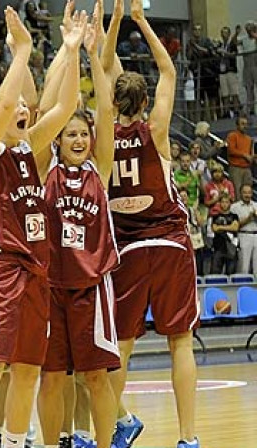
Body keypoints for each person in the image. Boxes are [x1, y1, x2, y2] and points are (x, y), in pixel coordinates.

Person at [0, 7, 82, 448]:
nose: (25, 111)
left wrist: (70, 54)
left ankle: (14, 443)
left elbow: (67, 105)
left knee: (29, 369)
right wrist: (23, 53)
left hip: (37, 274)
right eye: (16, 109)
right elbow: (6, 103)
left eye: (28, 109)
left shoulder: (32, 151)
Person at [102, 1, 201, 447]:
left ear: (113, 103)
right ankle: (188, 438)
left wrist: (115, 22)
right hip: (168, 241)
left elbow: (107, 69)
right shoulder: (156, 128)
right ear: (144, 103)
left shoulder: (102, 134)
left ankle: (110, 432)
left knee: (121, 346)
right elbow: (169, 72)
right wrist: (140, 20)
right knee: (179, 342)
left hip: (125, 248)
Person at [37, 6, 119, 448]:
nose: (79, 140)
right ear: (57, 138)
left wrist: (93, 54)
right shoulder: (44, 166)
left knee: (94, 377)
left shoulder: (98, 170)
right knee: (51, 378)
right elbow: (50, 106)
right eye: (70, 134)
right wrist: (66, 52)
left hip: (91, 286)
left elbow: (105, 111)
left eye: (82, 134)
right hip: (50, 284)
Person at [209, 193, 240, 274]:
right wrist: (228, 227)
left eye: (226, 202)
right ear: (219, 203)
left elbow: (235, 228)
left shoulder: (234, 216)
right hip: (218, 248)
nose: (224, 204)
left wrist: (221, 227)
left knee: (231, 273)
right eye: (222, 202)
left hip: (231, 248)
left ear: (230, 203)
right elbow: (214, 228)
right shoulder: (215, 216)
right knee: (215, 274)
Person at [226, 116, 253, 201]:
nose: (245, 126)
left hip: (247, 168)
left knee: (248, 190)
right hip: (235, 168)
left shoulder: (249, 139)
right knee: (237, 192)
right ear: (237, 125)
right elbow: (231, 150)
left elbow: (250, 153)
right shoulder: (232, 135)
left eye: (246, 124)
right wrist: (244, 155)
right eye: (242, 124)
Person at [232, 185, 257, 274]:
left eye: (249, 193)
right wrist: (248, 219)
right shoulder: (235, 207)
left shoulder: (256, 205)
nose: (247, 195)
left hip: (256, 235)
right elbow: (234, 225)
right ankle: (243, 286)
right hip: (243, 235)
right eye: (245, 193)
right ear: (240, 193)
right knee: (244, 266)